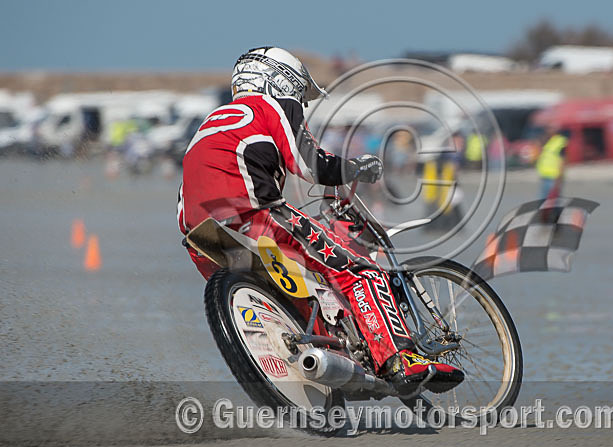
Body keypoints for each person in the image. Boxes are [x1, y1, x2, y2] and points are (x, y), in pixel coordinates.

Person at [178, 46, 463, 394]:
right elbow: (311, 162)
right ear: (278, 79)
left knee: (300, 291)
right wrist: (356, 166)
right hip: (253, 211)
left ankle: (328, 361)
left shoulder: (208, 124)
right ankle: (401, 358)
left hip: (199, 236)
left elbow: (186, 197)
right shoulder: (268, 105)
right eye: (299, 90)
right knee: (358, 269)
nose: (301, 100)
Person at [536, 127, 569, 199]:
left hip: (554, 177)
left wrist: (560, 176)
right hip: (545, 176)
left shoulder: (560, 141)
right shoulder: (549, 141)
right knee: (544, 199)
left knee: (553, 200)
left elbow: (562, 160)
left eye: (550, 128)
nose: (548, 131)